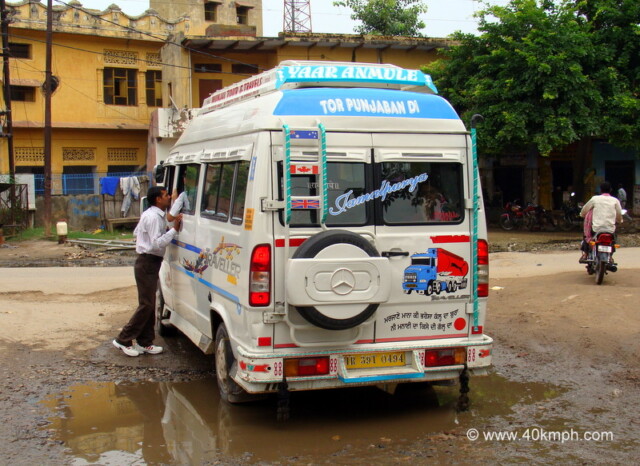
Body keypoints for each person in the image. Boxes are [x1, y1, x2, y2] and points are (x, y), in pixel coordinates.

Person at [113, 186, 183, 357]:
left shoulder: (156, 215)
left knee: (150, 303)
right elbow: (154, 244)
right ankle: (123, 339)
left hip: (151, 262)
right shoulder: (152, 217)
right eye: (166, 196)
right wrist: (174, 230)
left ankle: (145, 342)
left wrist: (177, 201)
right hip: (147, 263)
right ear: (158, 199)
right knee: (146, 305)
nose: (168, 198)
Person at [578, 181, 622, 263]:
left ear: (600, 190)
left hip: (596, 228)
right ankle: (610, 257)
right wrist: (619, 220)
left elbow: (584, 210)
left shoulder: (595, 199)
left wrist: (582, 214)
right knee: (613, 240)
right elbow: (619, 214)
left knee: (586, 235)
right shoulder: (615, 200)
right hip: (610, 229)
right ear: (611, 190)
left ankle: (586, 254)